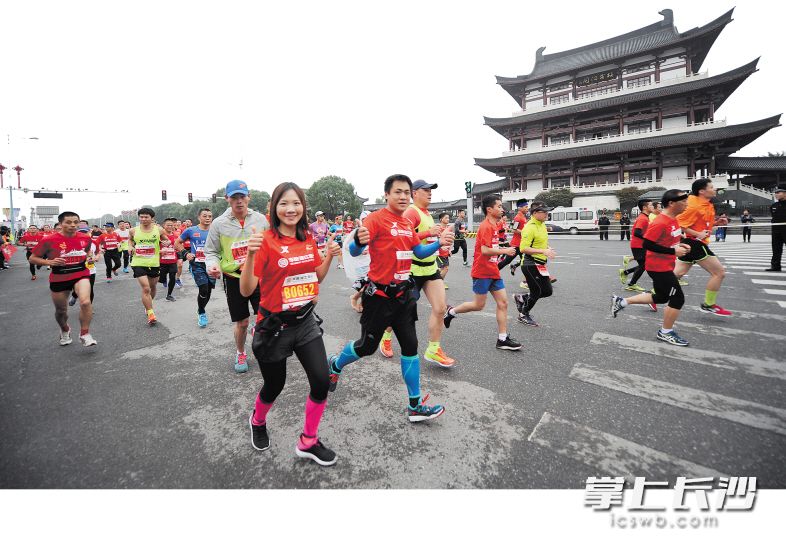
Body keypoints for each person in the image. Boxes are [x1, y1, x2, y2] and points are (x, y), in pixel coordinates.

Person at [327, 174, 451, 422]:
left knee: (410, 347)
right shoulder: (375, 219)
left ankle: (415, 405)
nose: (403, 196)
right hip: (379, 297)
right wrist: (358, 244)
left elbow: (418, 251)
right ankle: (336, 364)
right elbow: (355, 248)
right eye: (398, 192)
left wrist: (437, 243)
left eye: (406, 192)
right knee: (366, 347)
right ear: (387, 194)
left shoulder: (406, 225)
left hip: (404, 296)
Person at [241, 182, 342, 466]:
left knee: (321, 381)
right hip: (274, 327)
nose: (291, 209)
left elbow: (316, 277)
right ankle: (257, 420)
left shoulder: (307, 236)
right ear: (274, 208)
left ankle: (308, 441)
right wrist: (250, 255)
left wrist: (330, 257)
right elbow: (247, 290)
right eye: (284, 203)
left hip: (305, 321)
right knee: (275, 385)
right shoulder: (265, 240)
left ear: (303, 207)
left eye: (296, 203)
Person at [611, 190, 693, 346]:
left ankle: (621, 302)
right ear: (671, 203)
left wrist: (679, 245)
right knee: (677, 298)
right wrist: (673, 251)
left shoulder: (673, 219)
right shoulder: (660, 221)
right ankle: (665, 332)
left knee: (662, 297)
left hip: (666, 264)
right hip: (658, 267)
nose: (687, 204)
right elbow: (648, 244)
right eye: (684, 201)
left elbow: (667, 240)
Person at [205, 180, 269, 373]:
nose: (239, 201)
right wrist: (213, 265)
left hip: (259, 276)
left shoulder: (260, 220)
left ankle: (263, 345)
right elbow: (211, 251)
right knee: (242, 322)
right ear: (227, 199)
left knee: (266, 317)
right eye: (234, 197)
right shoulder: (218, 224)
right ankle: (241, 352)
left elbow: (269, 245)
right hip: (234, 277)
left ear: (249, 197)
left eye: (242, 196)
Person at [443, 194, 522, 351]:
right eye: (499, 206)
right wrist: (505, 250)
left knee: (503, 303)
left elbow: (492, 244)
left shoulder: (494, 225)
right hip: (482, 271)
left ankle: (502, 339)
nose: (502, 209)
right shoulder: (485, 226)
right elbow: (485, 250)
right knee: (478, 305)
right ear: (489, 209)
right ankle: (451, 311)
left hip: (493, 270)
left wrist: (502, 245)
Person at [402, 180, 456, 368]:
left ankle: (433, 349)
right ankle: (385, 335)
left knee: (440, 308)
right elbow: (404, 239)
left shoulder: (426, 214)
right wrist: (428, 233)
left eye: (431, 190)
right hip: (413, 270)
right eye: (426, 190)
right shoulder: (411, 212)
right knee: (403, 313)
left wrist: (440, 238)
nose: (430, 193)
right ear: (414, 193)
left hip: (430, 267)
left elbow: (426, 239)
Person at [29, 211, 98, 347]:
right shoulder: (48, 240)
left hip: (81, 272)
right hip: (60, 275)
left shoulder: (85, 237)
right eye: (68, 222)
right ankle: (64, 329)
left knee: (85, 302)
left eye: (75, 222)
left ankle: (84, 333)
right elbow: (32, 258)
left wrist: (91, 256)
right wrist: (50, 262)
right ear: (60, 224)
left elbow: (88, 251)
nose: (73, 225)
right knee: (61, 311)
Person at [673, 179, 731, 316]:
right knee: (719, 273)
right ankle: (708, 304)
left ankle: (652, 296)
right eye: (711, 187)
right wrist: (697, 234)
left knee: (677, 274)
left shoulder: (705, 204)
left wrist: (716, 222)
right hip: (695, 242)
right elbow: (678, 223)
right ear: (702, 191)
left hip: (693, 242)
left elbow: (702, 224)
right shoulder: (693, 205)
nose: (714, 189)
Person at [512, 202, 556, 327]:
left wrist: (547, 248)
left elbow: (538, 241)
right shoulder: (529, 226)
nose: (547, 214)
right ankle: (523, 314)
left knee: (547, 291)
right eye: (544, 212)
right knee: (536, 292)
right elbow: (523, 248)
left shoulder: (541, 224)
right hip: (530, 263)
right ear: (535, 213)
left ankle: (523, 298)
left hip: (540, 263)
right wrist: (543, 251)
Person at [129, 208, 170, 325]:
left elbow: (166, 240)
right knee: (146, 288)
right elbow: (130, 241)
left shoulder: (159, 230)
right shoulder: (133, 230)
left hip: (153, 263)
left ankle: (148, 304)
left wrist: (166, 243)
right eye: (141, 217)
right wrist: (130, 247)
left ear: (152, 218)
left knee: (152, 287)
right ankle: (151, 313)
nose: (143, 219)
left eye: (146, 217)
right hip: (138, 262)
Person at [177, 208, 215, 327]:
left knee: (208, 290)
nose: (208, 218)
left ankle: (201, 308)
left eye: (210, 216)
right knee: (203, 288)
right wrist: (186, 253)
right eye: (205, 216)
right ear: (199, 217)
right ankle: (202, 312)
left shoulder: (215, 230)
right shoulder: (191, 230)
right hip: (197, 264)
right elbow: (177, 243)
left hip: (212, 263)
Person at [620, 200, 654, 294]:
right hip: (638, 245)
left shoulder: (645, 217)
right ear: (644, 207)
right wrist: (649, 238)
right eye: (651, 205)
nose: (653, 206)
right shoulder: (643, 218)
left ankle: (626, 274)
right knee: (644, 265)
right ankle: (631, 284)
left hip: (641, 245)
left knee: (644, 265)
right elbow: (637, 232)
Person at [498, 199, 528, 274]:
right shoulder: (518, 218)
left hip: (522, 244)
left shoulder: (523, 217)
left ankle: (528, 279)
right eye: (525, 207)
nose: (527, 208)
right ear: (519, 208)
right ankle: (492, 273)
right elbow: (514, 229)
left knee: (526, 262)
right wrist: (525, 233)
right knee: (506, 261)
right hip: (516, 245)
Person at [158, 217, 180, 301]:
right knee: (161, 279)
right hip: (162, 261)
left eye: (171, 225)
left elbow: (178, 246)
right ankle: (162, 280)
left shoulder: (176, 236)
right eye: (168, 225)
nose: (170, 226)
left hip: (172, 261)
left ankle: (169, 294)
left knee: (172, 276)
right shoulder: (159, 236)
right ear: (164, 225)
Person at [768, 188, 786, 271]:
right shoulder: (774, 206)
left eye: (778, 192)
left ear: (785, 193)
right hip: (776, 230)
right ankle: (775, 266)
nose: (776, 194)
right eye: (775, 193)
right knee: (776, 249)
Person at [436, 212, 452, 287]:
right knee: (445, 268)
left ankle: (435, 280)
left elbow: (449, 240)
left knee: (441, 269)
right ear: (441, 219)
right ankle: (439, 283)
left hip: (446, 252)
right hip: (439, 253)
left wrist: (449, 250)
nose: (448, 219)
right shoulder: (438, 229)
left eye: (448, 218)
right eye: (446, 218)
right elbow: (435, 241)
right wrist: (441, 247)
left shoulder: (448, 229)